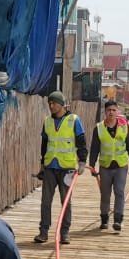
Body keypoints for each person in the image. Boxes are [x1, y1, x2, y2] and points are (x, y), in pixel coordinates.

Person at [35, 90, 87, 244]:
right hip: (50, 166)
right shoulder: (47, 122)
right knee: (46, 201)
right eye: (49, 103)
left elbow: (81, 142)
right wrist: (42, 165)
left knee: (66, 202)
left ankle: (65, 233)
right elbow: (44, 145)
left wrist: (82, 161)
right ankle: (43, 232)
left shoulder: (74, 120)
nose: (51, 106)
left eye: (54, 103)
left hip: (67, 167)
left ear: (62, 104)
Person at [88, 99, 129, 231]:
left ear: (118, 112)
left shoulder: (124, 126)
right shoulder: (98, 128)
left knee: (119, 192)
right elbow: (94, 149)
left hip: (121, 165)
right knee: (105, 194)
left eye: (114, 110)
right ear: (105, 112)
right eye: (109, 110)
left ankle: (118, 220)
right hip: (105, 167)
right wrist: (92, 165)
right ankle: (104, 220)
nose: (111, 112)